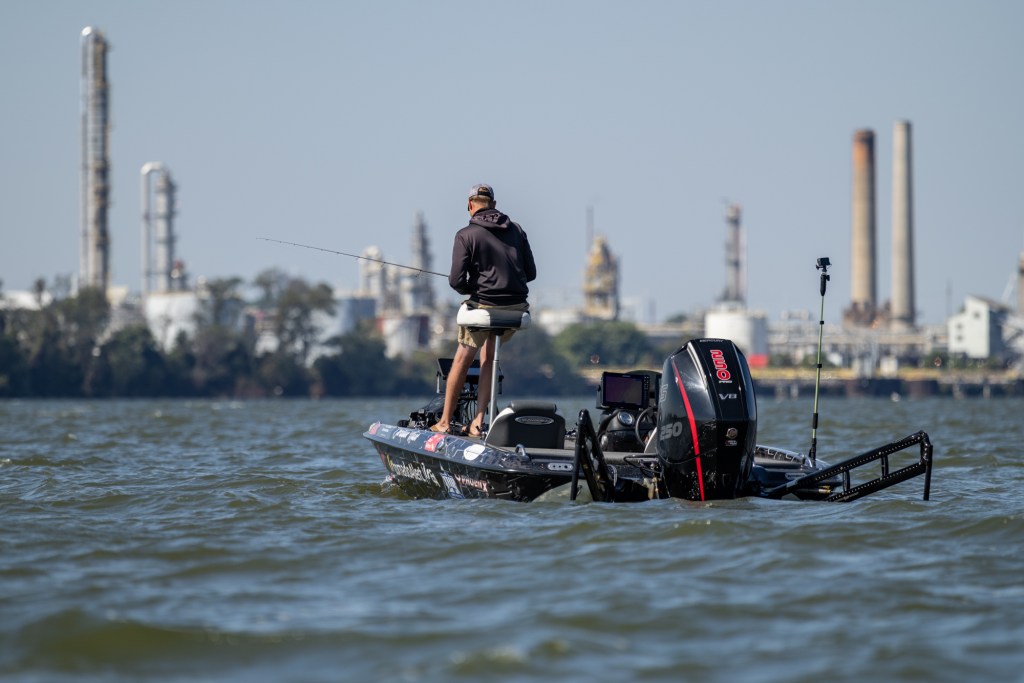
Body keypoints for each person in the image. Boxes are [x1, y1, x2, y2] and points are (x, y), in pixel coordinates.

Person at [431, 184, 537, 436]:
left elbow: (456, 281)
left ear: (470, 206)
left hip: (484, 306)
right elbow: (531, 273)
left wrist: (474, 288)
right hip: (516, 308)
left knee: (463, 358)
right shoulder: (517, 230)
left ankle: (444, 422)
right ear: (494, 205)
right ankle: (478, 422)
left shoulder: (465, 234)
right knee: (488, 357)